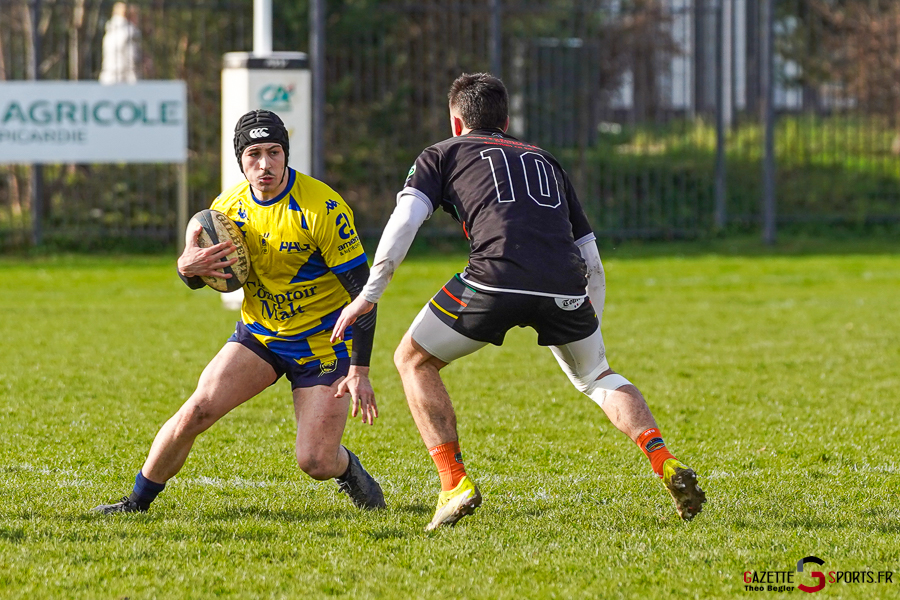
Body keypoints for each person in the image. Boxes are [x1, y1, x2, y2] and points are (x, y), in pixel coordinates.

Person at [331, 73, 705, 531]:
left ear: (455, 121)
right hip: (566, 283)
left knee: (412, 359)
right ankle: (663, 460)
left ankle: (455, 485)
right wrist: (591, 324)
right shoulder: (545, 159)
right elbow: (592, 258)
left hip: (495, 278)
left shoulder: (442, 153)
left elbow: (405, 220)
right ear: (505, 121)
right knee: (598, 375)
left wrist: (369, 296)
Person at [94, 110, 385, 514]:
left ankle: (348, 469)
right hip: (261, 335)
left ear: (286, 154)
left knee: (315, 461)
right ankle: (135, 503)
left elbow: (366, 296)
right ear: (240, 159)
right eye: (253, 154)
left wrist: (360, 371)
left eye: (274, 152)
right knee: (196, 409)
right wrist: (186, 269)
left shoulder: (323, 209)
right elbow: (208, 276)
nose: (264, 164)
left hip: (324, 344)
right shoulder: (225, 210)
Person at [98, 3, 141, 84]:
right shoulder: (129, 33)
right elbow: (131, 61)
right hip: (123, 80)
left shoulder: (110, 31)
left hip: (107, 78)